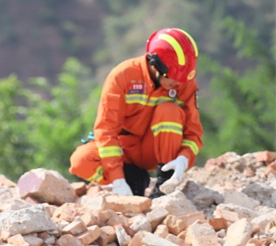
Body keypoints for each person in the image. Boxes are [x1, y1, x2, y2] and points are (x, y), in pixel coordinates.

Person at [70, 28, 203, 197]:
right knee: (80, 161)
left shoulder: (185, 83)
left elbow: (194, 134)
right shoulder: (123, 76)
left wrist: (183, 158)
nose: (178, 83)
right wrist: (118, 179)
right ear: (156, 66)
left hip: (156, 150)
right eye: (173, 77)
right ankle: (133, 179)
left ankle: (164, 186)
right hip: (123, 148)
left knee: (169, 111)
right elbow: (106, 130)